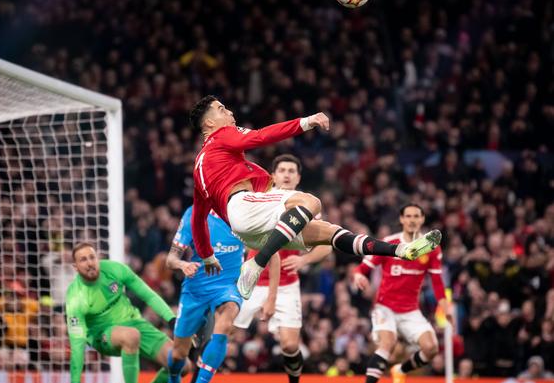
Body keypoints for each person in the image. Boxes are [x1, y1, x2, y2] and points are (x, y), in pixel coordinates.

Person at [188, 95, 442, 300]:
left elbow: (198, 219)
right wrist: (307, 122)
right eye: (221, 109)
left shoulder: (200, 168)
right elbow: (260, 136)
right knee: (311, 202)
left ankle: (401, 249)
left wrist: (208, 255)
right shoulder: (221, 136)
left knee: (328, 233)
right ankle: (256, 265)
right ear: (209, 124)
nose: (229, 112)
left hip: (246, 229)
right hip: (244, 208)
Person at [156, 206, 280, 383]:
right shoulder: (195, 214)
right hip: (195, 290)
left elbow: (272, 253)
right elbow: (170, 259)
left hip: (227, 286)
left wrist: (271, 298)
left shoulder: (243, 215)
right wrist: (182, 264)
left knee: (226, 320)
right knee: (179, 352)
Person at [234, 154, 332, 383]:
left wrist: (304, 261)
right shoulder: (261, 197)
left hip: (287, 284)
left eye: (292, 170)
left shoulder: (308, 204)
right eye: (282, 170)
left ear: (298, 177)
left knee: (289, 344)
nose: (287, 174)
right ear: (273, 175)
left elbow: (328, 245)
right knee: (221, 330)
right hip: (251, 281)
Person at [63, 242, 191, 383]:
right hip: (102, 334)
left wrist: (171, 319)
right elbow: (77, 345)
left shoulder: (115, 270)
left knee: (183, 364)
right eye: (83, 260)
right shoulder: (75, 297)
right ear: (76, 267)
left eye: (92, 257)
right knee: (131, 335)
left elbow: (147, 294)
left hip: (134, 323)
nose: (89, 263)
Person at [351, 204, 452, 383]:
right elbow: (364, 267)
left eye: (417, 216)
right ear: (402, 219)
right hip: (384, 306)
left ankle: (401, 370)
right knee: (387, 343)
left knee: (431, 348)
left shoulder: (431, 247)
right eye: (408, 216)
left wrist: (446, 307)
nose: (413, 219)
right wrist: (359, 275)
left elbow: (437, 282)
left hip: (410, 310)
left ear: (422, 219)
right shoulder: (390, 243)